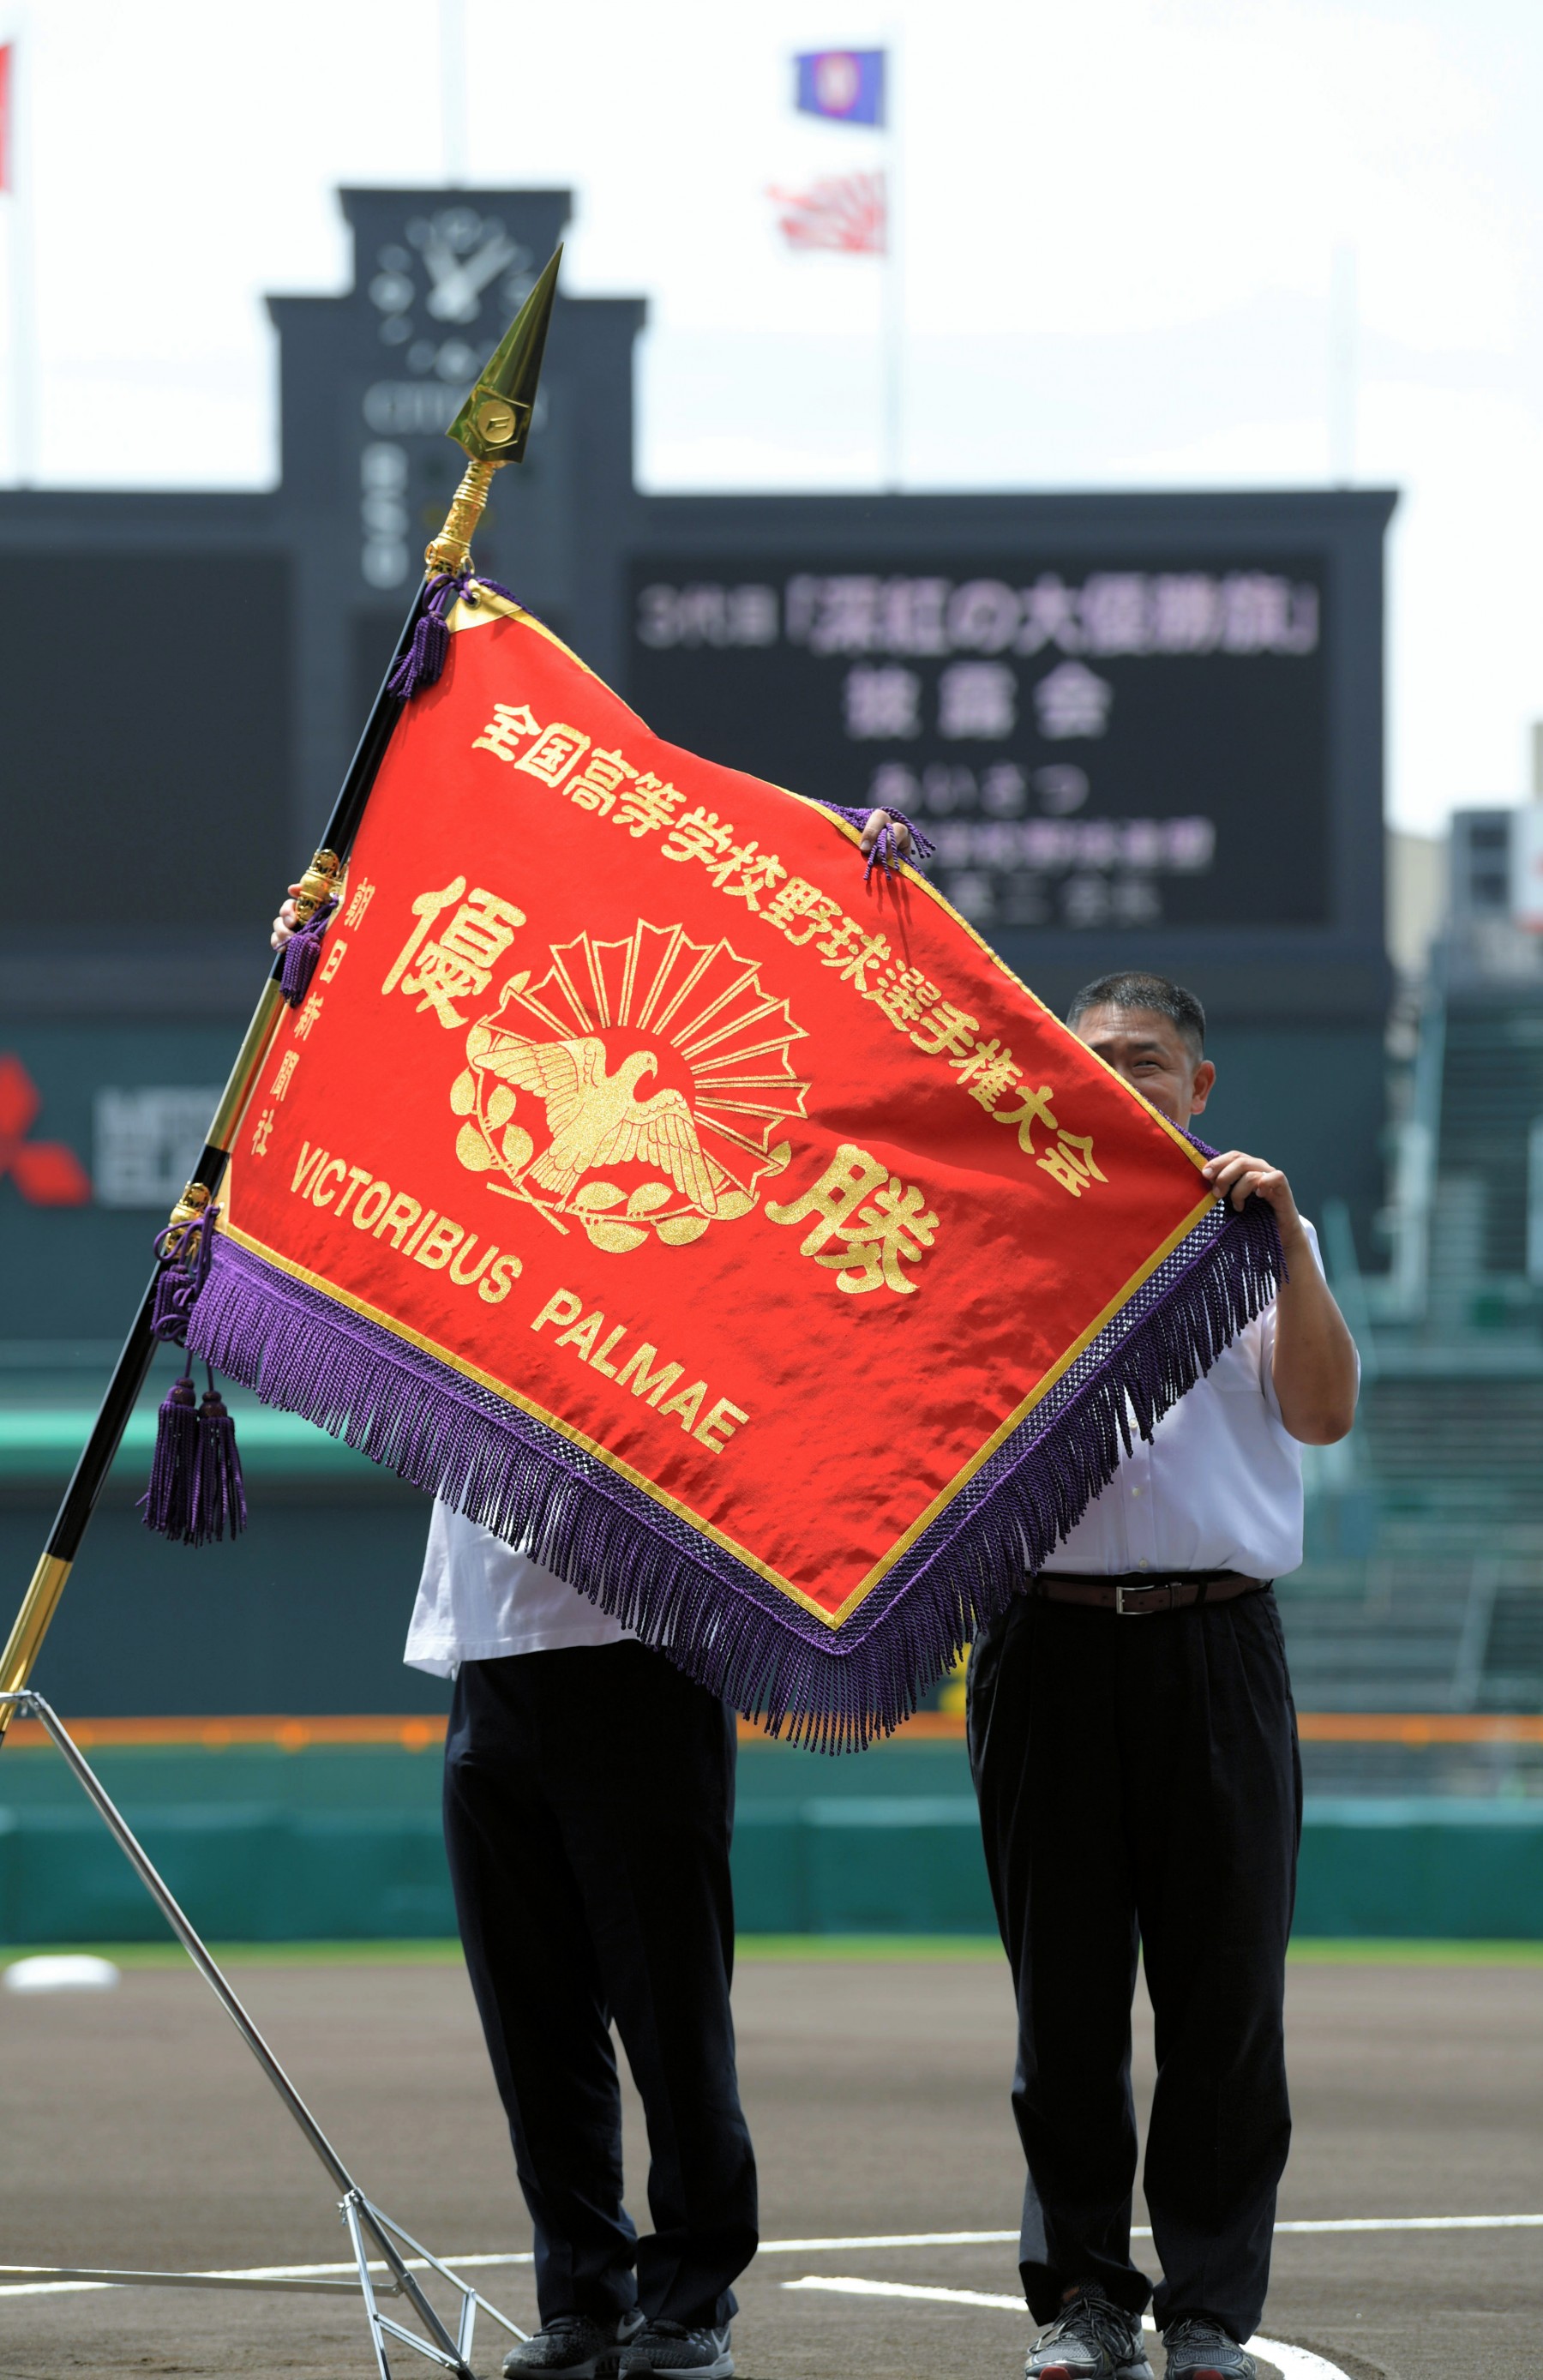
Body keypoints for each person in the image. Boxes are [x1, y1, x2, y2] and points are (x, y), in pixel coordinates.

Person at [271, 805, 910, 2380]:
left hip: (643, 1649)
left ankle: (690, 2298)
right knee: (537, 2017)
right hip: (489, 1653)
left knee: (666, 2010)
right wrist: (307, 977)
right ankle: (580, 2294)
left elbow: (845, 1106)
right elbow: (370, 1089)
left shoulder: (698, 1224)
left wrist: (860, 898)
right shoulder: (479, 1196)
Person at [967, 971, 1360, 2380]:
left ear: (1202, 1089)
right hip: (1046, 1640)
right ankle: (1083, 2299)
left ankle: (1206, 2314)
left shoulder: (1256, 1244)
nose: (1123, 1075)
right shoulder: (1002, 1230)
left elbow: (1321, 1410)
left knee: (1224, 1998)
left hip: (1215, 1643)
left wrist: (1295, 1246)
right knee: (1061, 2002)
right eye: (1098, 1058)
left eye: (1149, 1059)